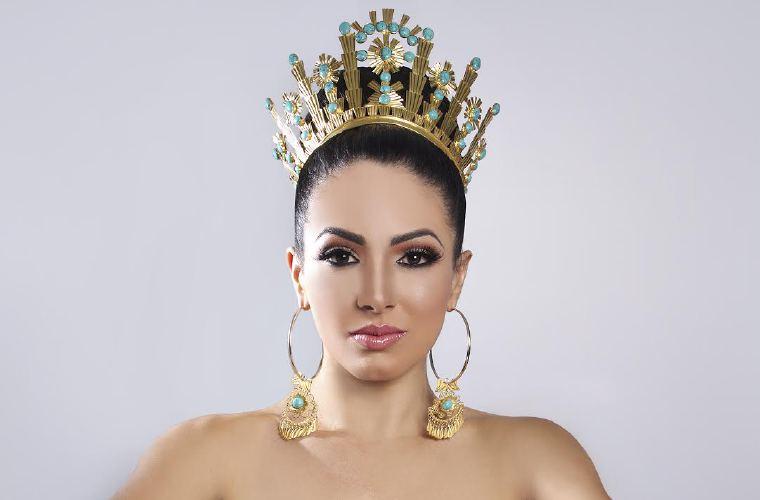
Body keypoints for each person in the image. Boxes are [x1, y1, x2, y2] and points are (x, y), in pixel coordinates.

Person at [113, 8, 611, 499]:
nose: (376, 295)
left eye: (414, 257)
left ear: (457, 277)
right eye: (341, 255)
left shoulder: (538, 464)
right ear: (298, 275)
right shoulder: (202, 462)